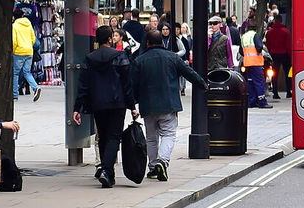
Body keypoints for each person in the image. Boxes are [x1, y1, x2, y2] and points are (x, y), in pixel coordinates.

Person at [131, 29, 205, 182]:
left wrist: (132, 103)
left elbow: (132, 85)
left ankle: (153, 168)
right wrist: (202, 84)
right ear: (162, 42)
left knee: (151, 138)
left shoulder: (139, 60)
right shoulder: (172, 57)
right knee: (168, 134)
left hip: (148, 105)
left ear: (147, 43)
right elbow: (189, 73)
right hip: (168, 104)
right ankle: (162, 161)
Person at [72, 25, 135, 189]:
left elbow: (83, 85)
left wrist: (77, 108)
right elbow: (127, 83)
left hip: (98, 103)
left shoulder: (89, 58)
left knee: (103, 137)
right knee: (114, 137)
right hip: (117, 103)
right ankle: (106, 171)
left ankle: (109, 175)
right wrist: (132, 105)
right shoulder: (119, 56)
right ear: (109, 39)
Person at [11, 7, 41, 101]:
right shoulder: (28, 24)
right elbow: (33, 39)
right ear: (23, 15)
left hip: (19, 51)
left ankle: (15, 95)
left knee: (15, 73)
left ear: (14, 17)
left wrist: (13, 50)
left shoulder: (14, 26)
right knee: (27, 72)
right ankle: (35, 87)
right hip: (29, 51)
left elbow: (14, 41)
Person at [239, 25, 270, 109]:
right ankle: (262, 102)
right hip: (256, 62)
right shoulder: (255, 35)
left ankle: (251, 102)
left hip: (247, 63)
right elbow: (259, 47)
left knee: (250, 82)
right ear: (256, 29)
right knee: (260, 82)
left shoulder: (244, 37)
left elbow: (241, 51)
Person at [265, 14, 292, 100]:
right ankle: (288, 91)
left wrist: (270, 52)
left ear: (275, 21)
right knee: (287, 73)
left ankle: (275, 92)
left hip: (274, 54)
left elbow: (268, 44)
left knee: (274, 73)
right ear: (281, 20)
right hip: (285, 54)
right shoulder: (286, 31)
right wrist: (290, 55)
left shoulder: (270, 32)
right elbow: (288, 45)